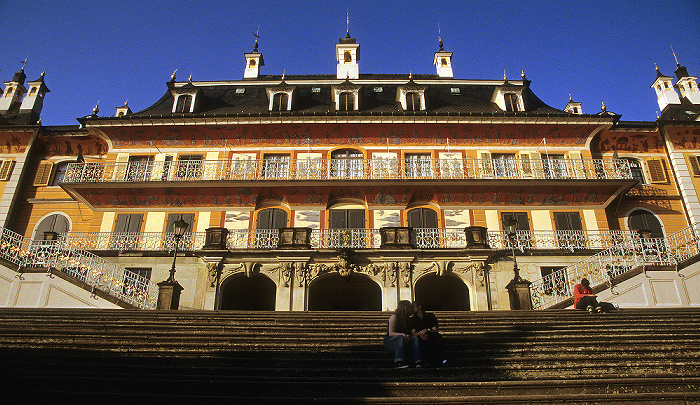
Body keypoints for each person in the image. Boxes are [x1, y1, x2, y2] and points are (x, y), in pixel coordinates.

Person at [383, 300, 420, 368]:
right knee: (400, 337)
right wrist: (403, 335)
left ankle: (418, 361)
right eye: (410, 307)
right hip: (390, 342)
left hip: (403, 340)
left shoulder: (407, 319)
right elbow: (391, 333)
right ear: (405, 308)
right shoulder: (394, 317)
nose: (411, 309)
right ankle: (398, 362)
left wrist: (408, 336)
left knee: (415, 338)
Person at [410, 301, 447, 367]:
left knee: (437, 336)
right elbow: (413, 333)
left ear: (419, 307)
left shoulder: (430, 316)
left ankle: (442, 359)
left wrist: (426, 330)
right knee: (421, 340)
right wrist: (420, 333)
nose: (411, 308)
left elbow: (435, 329)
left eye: (413, 306)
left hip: (431, 335)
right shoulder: (412, 320)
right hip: (420, 337)